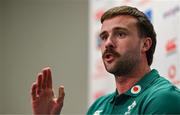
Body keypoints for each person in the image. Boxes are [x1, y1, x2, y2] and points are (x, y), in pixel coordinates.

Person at [31, 6, 180, 115]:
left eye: (120, 34)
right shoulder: (98, 107)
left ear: (145, 44)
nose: (108, 43)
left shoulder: (163, 99)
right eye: (103, 37)